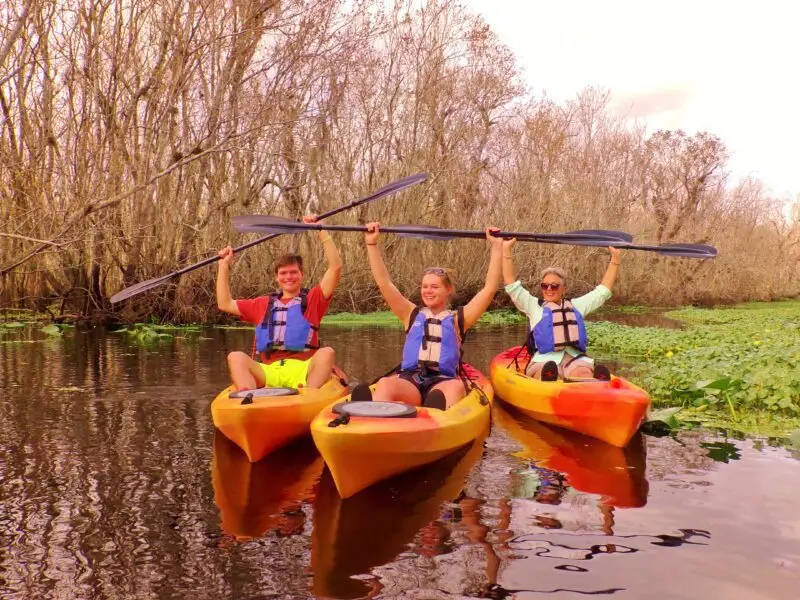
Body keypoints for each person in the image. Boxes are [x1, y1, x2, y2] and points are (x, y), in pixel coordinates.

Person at [349, 222, 504, 410]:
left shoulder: (458, 320)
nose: (428, 291)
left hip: (442, 382)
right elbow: (384, 283)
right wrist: (372, 245)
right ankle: (374, 414)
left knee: (454, 387)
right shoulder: (411, 314)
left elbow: (489, 290)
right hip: (411, 381)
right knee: (385, 383)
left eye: (434, 286)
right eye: (424, 286)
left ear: (448, 290)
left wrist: (496, 247)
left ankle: (435, 413)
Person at [216, 215, 342, 391]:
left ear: (301, 275)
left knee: (327, 352)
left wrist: (321, 232)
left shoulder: (314, 299)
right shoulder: (263, 304)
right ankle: (248, 399)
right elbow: (224, 303)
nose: (288, 277)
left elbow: (335, 267)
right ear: (277, 277)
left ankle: (309, 395)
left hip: (303, 369)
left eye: (293, 272)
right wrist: (223, 267)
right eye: (283, 273)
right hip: (270, 371)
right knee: (235, 356)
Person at [502, 238, 622, 381]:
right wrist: (506, 249)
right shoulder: (534, 306)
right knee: (546, 371)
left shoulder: (577, 306)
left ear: (564, 288)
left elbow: (603, 292)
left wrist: (615, 258)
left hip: (574, 359)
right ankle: (549, 379)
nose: (549, 289)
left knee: (582, 372)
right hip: (544, 360)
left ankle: (593, 381)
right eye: (544, 286)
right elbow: (512, 286)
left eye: (554, 286)